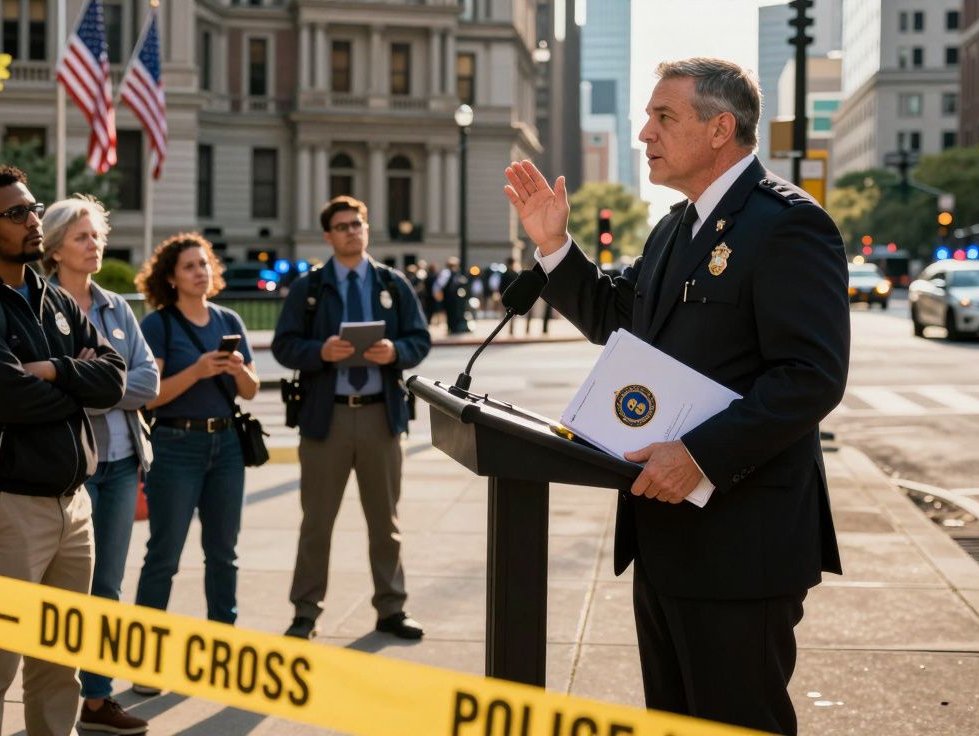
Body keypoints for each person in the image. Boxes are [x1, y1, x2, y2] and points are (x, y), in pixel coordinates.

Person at [502, 58, 848, 735]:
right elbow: (614, 317)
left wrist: (699, 455)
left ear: (721, 128)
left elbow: (811, 375)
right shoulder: (673, 229)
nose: (644, 133)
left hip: (742, 540)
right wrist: (553, 246)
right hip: (666, 535)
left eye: (664, 117)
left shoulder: (788, 225)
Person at [0, 166, 127, 736]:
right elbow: (11, 399)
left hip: (73, 505)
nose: (33, 219)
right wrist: (75, 384)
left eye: (33, 208)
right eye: (17, 213)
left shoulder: (52, 295)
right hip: (4, 509)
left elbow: (113, 378)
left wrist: (56, 370)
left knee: (61, 667)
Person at [271, 196, 431, 641]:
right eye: (341, 227)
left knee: (386, 522)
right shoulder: (310, 288)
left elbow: (420, 338)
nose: (351, 232)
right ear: (328, 236)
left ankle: (391, 608)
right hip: (327, 420)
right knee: (317, 522)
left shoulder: (392, 284)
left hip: (381, 417)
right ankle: (305, 611)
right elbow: (285, 345)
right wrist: (319, 352)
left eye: (357, 224)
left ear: (366, 228)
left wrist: (396, 351)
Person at [40, 195, 158, 735]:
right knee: (65, 593)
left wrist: (85, 381)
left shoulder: (115, 306)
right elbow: (34, 388)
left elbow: (147, 382)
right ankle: (56, 699)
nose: (95, 246)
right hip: (68, 469)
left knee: (107, 585)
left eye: (98, 237)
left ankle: (97, 698)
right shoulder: (37, 305)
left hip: (121, 463)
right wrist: (99, 383)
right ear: (56, 245)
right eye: (84, 237)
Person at [134, 233, 258, 638]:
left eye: (204, 264)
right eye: (189, 266)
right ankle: (146, 654)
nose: (200, 272)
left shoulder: (229, 320)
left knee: (224, 554)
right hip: (175, 447)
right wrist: (198, 371)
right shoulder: (159, 324)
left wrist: (238, 370)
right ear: (171, 277)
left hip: (227, 447)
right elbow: (149, 397)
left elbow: (251, 389)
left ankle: (225, 645)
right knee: (164, 555)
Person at [433, 256, 470, 334]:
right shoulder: (446, 273)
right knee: (450, 313)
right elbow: (439, 285)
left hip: (454, 298)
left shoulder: (455, 274)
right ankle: (452, 328)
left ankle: (454, 328)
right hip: (449, 298)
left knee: (454, 313)